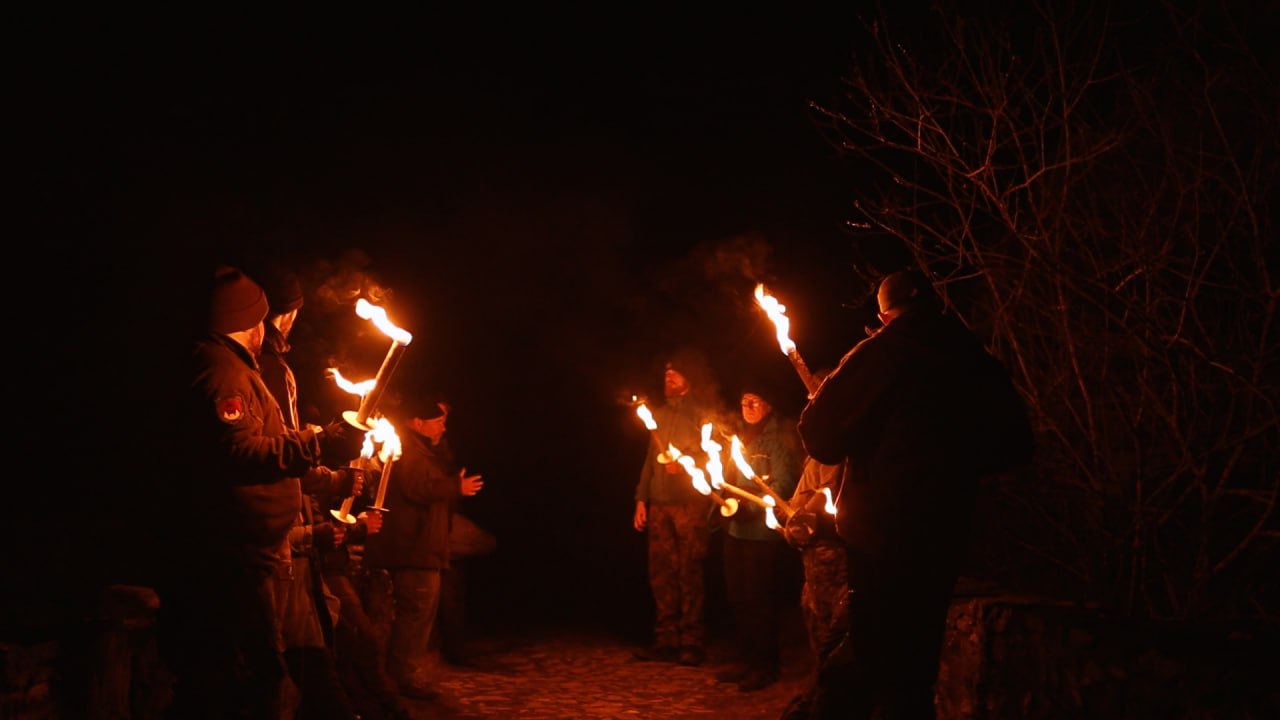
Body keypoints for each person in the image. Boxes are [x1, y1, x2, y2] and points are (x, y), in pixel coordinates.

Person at [797, 268, 1033, 719]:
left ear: (884, 315)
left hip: (878, 536)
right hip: (947, 531)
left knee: (874, 659)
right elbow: (1016, 446)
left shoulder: (878, 354)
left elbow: (820, 439)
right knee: (917, 664)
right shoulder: (973, 358)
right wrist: (952, 463)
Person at [157, 265, 363, 719]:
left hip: (256, 546)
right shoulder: (223, 372)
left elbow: (259, 438)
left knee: (266, 665)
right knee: (253, 673)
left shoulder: (234, 366)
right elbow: (239, 451)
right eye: (260, 319)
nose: (266, 328)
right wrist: (318, 443)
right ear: (246, 321)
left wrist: (310, 440)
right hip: (242, 551)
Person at [254, 264, 369, 720]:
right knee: (283, 661)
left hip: (289, 538)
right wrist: (336, 478)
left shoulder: (260, 365)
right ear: (283, 316)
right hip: (280, 542)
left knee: (307, 653)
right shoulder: (267, 369)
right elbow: (284, 459)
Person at [362, 391, 483, 705]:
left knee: (418, 616)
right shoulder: (409, 452)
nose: (443, 427)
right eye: (437, 421)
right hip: (413, 548)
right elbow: (417, 489)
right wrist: (454, 486)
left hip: (421, 546)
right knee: (414, 615)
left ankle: (401, 675)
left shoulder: (421, 449)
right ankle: (400, 677)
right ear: (417, 422)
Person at [631, 349, 720, 667]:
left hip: (689, 505)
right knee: (661, 574)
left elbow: (712, 456)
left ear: (689, 379)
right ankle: (665, 639)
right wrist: (642, 499)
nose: (668, 377)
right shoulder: (660, 415)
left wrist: (687, 465)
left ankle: (691, 642)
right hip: (660, 506)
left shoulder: (701, 415)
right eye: (666, 373)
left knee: (689, 572)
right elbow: (648, 462)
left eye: (675, 373)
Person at [714, 383, 801, 693]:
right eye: (743, 401)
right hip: (736, 530)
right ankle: (747, 660)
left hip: (762, 534)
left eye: (754, 401)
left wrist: (749, 507)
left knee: (759, 600)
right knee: (738, 598)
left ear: (768, 405)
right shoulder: (738, 437)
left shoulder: (778, 439)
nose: (747, 407)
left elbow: (784, 482)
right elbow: (728, 479)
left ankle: (766, 665)